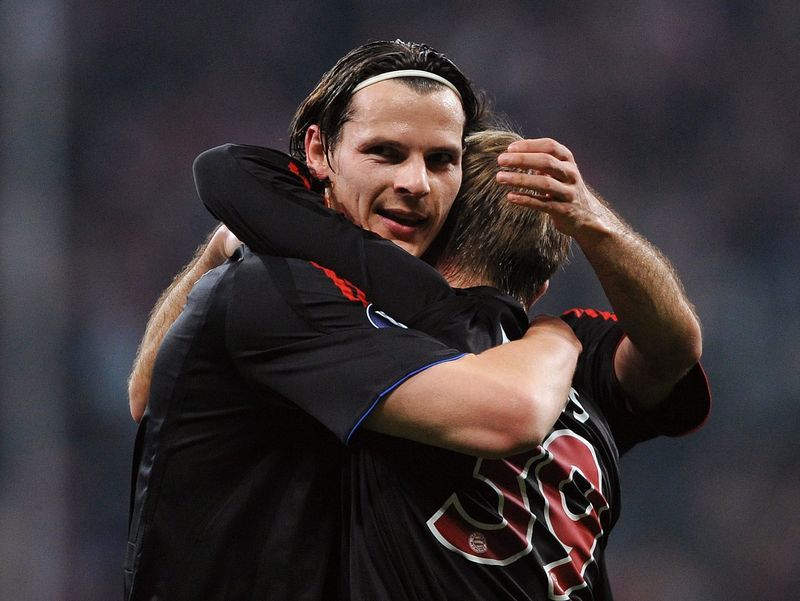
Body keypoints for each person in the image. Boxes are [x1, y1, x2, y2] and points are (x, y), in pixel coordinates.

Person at [124, 41, 583, 601]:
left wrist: (219, 249)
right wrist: (558, 337)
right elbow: (511, 415)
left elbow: (148, 395)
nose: (416, 182)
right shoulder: (280, 290)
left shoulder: (352, 284)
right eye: (385, 153)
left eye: (441, 160)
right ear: (319, 151)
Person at [187, 129, 710, 599]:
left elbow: (157, 396)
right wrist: (593, 227)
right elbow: (676, 346)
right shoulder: (573, 351)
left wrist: (216, 257)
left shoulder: (364, 333)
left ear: (422, 232)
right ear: (542, 286)